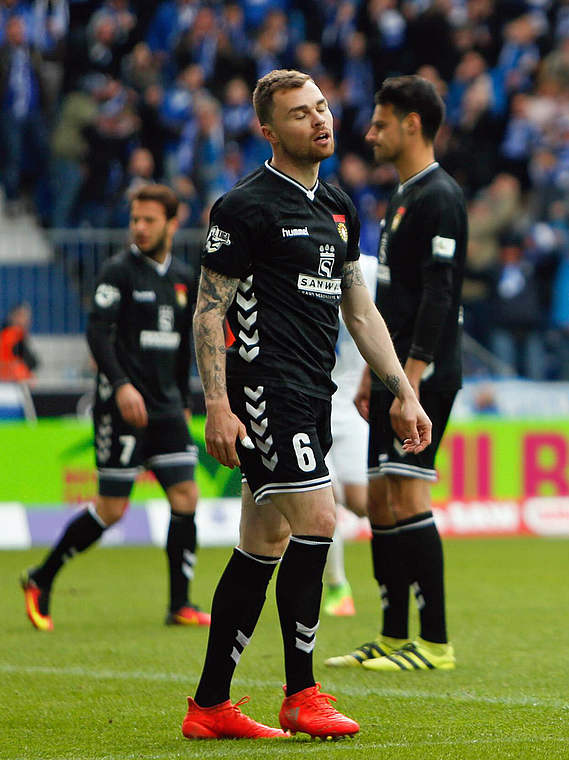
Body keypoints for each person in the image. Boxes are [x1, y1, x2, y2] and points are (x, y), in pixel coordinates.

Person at [183, 69, 431, 740]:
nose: (319, 120)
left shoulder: (339, 206)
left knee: (263, 542)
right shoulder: (245, 206)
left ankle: (209, 706)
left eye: (321, 107)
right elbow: (209, 312)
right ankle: (302, 692)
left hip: (312, 393)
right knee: (319, 518)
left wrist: (402, 392)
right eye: (299, 114)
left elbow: (358, 306)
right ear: (269, 130)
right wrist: (217, 403)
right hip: (265, 388)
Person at [325, 75, 466, 672]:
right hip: (393, 374)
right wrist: (371, 374)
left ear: (412, 124)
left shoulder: (440, 197)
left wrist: (407, 381)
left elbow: (439, 297)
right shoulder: (403, 197)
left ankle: (434, 642)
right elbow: (389, 299)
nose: (369, 133)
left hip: (424, 372)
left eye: (380, 123)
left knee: (407, 493)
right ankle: (390, 635)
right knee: (382, 499)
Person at [20, 185, 206, 632]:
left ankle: (179, 604)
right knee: (112, 508)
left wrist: (182, 401)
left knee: (186, 496)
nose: (139, 228)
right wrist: (121, 386)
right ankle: (40, 578)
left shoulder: (183, 277)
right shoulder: (117, 272)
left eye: (149, 220)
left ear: (172, 224)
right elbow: (98, 335)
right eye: (134, 219)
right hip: (121, 408)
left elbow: (184, 348)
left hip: (166, 409)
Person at [320, 251, 379, 618]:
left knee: (361, 502)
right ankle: (337, 585)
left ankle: (394, 577)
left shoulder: (370, 270)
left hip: (354, 402)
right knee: (324, 503)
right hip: (313, 403)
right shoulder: (301, 265)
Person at [0, 302, 39, 382]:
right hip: (8, 382)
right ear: (13, 317)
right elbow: (32, 362)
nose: (26, 320)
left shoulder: (13, 335)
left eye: (27, 317)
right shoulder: (11, 335)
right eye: (22, 316)